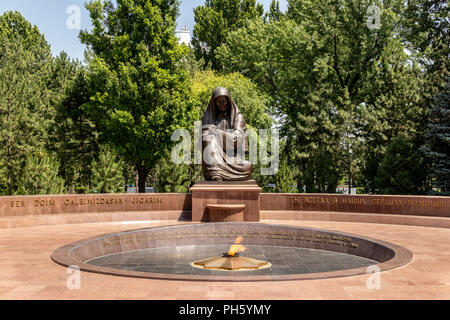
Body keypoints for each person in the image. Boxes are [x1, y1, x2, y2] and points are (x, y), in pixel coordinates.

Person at [201, 87, 251, 181]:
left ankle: (218, 172)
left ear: (228, 100)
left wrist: (218, 132)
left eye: (223, 101)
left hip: (233, 158)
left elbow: (238, 139)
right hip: (213, 157)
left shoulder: (238, 117)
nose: (222, 104)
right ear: (214, 103)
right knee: (207, 134)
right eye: (218, 102)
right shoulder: (208, 117)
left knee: (247, 166)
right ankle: (215, 173)